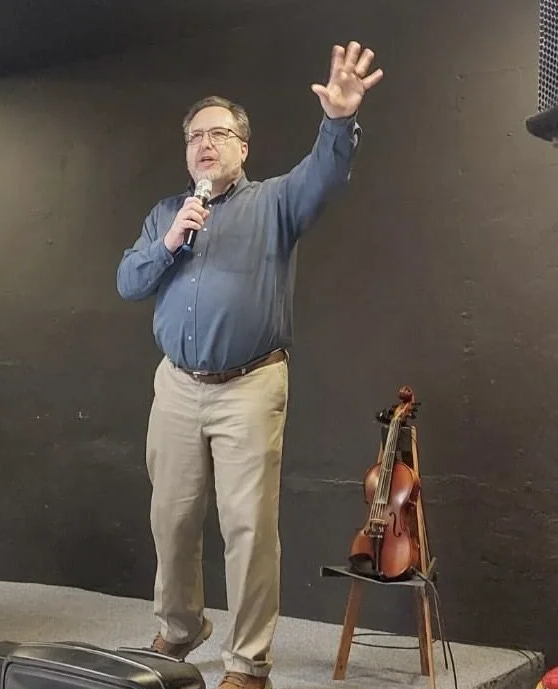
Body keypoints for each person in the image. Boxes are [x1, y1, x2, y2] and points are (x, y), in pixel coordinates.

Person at [115, 42, 384, 689]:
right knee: (171, 518)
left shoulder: (274, 204)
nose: (205, 144)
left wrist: (339, 119)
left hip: (249, 384)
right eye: (195, 136)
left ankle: (248, 661)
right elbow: (128, 281)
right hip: (176, 385)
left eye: (218, 133)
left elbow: (324, 174)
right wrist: (171, 241)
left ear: (242, 146)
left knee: (246, 526)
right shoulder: (165, 214)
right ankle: (181, 627)